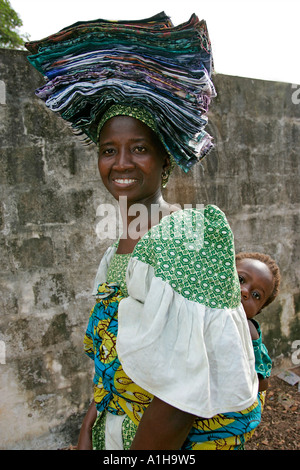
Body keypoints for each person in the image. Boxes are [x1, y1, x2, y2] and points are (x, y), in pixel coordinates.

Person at [26, 12, 261, 450]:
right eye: (108, 150)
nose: (121, 163)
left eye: (139, 149)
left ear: (166, 160)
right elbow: (108, 367)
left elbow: (179, 402)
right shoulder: (119, 245)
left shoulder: (187, 235)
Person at [236, 252, 281, 392]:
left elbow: (262, 383)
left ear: (258, 311)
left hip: (237, 410)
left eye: (256, 295)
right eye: (240, 279)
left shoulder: (248, 331)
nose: (244, 291)